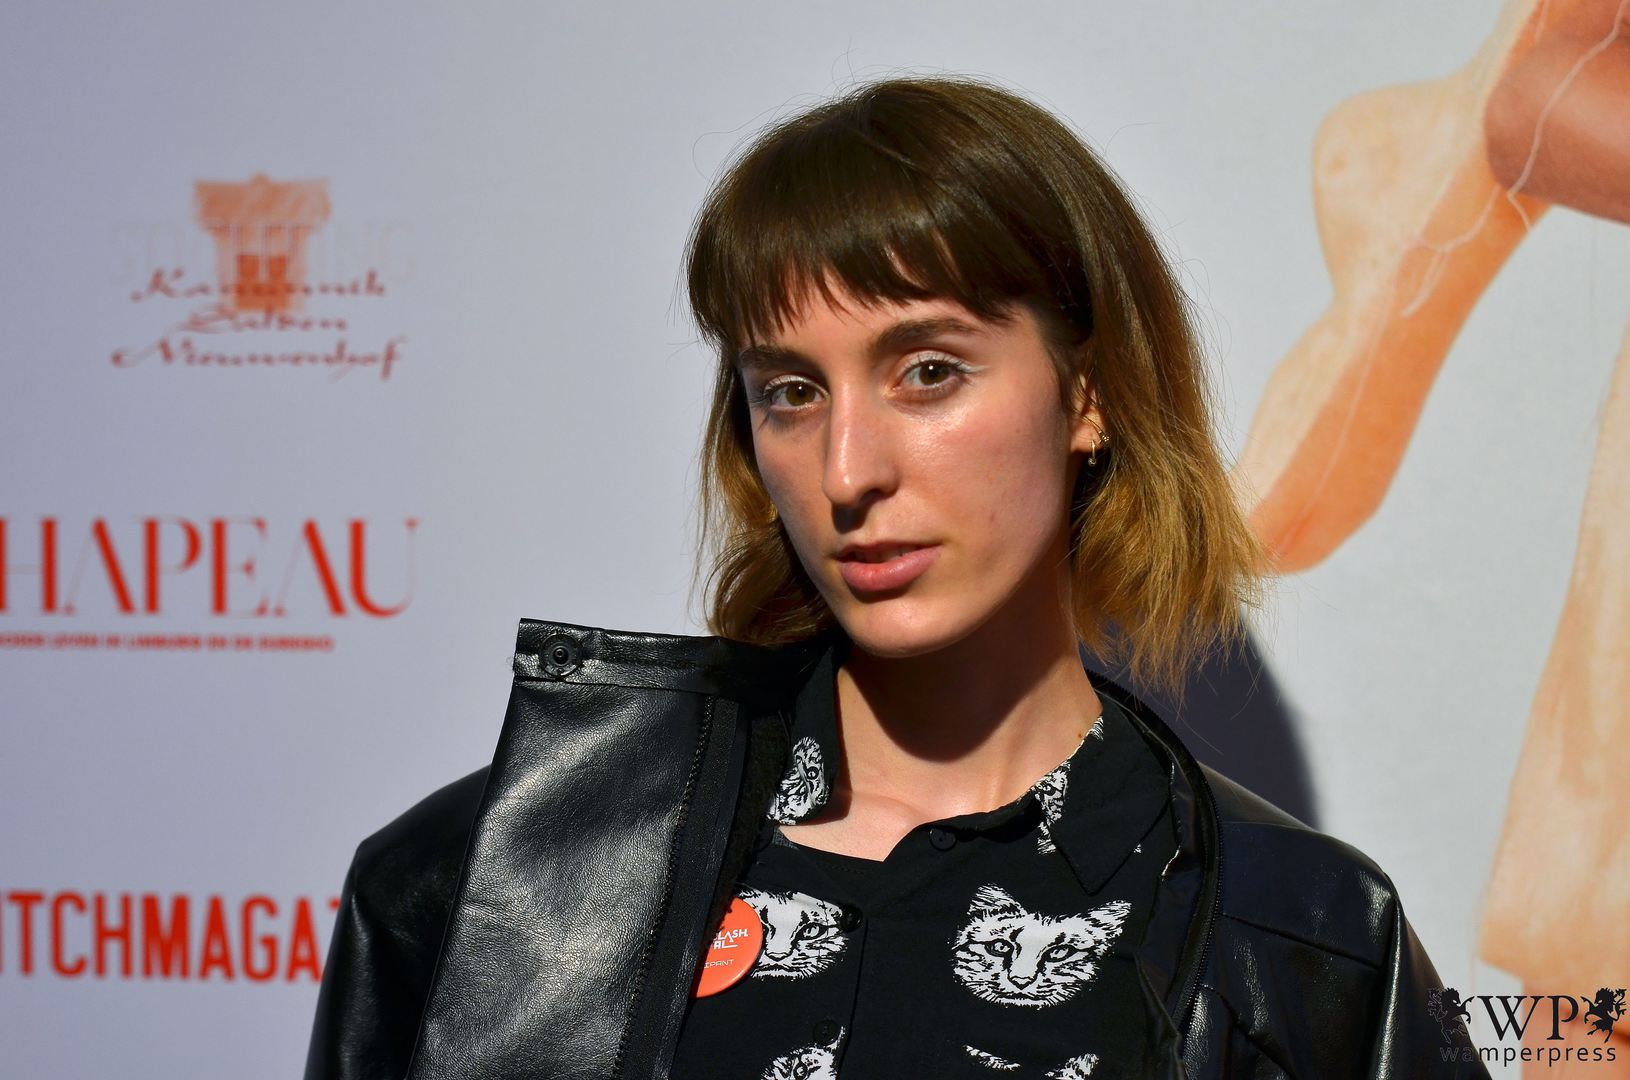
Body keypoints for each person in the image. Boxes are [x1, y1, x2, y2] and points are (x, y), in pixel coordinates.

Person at [303, 75, 1490, 1079]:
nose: (846, 469)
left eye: (926, 371)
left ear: (1088, 393)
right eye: (790, 392)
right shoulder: (490, 884)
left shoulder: (1302, 942)